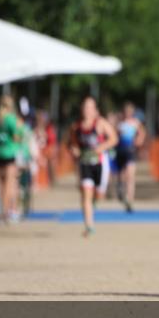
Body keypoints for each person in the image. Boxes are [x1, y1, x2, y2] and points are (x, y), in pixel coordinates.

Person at [67, 96, 118, 237]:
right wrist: (75, 150)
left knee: (99, 194)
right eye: (85, 107)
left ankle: (95, 200)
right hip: (85, 164)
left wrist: (102, 147)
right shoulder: (76, 127)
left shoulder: (100, 123)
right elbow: (72, 144)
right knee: (86, 192)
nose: (87, 110)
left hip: (100, 163)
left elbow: (114, 138)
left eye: (90, 107)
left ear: (95, 110)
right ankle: (89, 226)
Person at [0, 95, 23, 224]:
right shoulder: (10, 119)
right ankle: (6, 212)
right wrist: (20, 131)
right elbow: (16, 137)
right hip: (8, 155)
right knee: (9, 185)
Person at [116, 102, 147, 212]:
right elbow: (115, 136)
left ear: (132, 112)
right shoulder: (120, 123)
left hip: (131, 151)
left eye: (129, 111)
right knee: (121, 175)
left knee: (131, 175)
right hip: (120, 151)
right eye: (126, 111)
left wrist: (138, 141)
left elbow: (142, 133)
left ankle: (130, 200)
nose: (127, 113)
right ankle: (120, 188)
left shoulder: (135, 122)